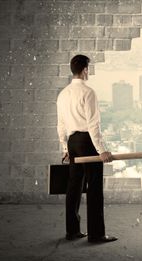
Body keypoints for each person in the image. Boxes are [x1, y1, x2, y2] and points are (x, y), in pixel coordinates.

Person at [56, 54, 117, 243]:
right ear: (84, 70)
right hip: (87, 142)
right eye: (88, 69)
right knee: (94, 188)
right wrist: (101, 151)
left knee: (74, 186)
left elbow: (61, 124)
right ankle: (97, 234)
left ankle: (72, 231)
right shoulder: (88, 92)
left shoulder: (63, 93)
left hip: (72, 142)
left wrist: (65, 148)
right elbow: (93, 125)